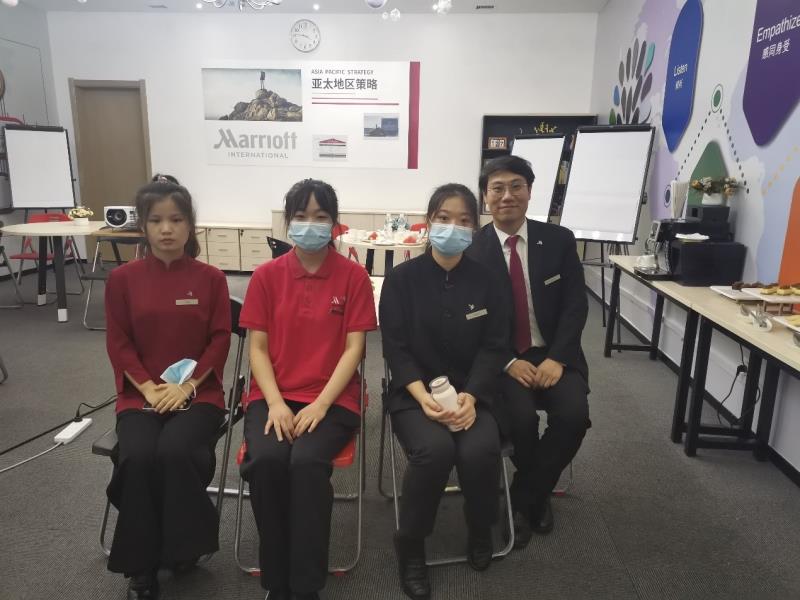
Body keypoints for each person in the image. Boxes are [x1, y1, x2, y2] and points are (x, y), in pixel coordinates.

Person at [239, 179, 377, 600]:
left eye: (320, 216)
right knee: (267, 462)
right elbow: (257, 349)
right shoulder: (266, 276)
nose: (310, 224)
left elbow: (355, 349)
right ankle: (277, 579)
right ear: (288, 221)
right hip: (272, 396)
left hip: (333, 398)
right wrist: (276, 403)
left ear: (334, 223)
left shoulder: (353, 276)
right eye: (301, 216)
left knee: (306, 464)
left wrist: (320, 404)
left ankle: (306, 584)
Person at [380, 184, 509, 600]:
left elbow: (495, 346)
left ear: (475, 227)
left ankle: (480, 528)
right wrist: (423, 398)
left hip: (473, 393)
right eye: (444, 218)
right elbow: (395, 349)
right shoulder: (401, 280)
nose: (453, 227)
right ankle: (411, 545)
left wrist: (472, 396)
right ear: (429, 221)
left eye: (464, 220)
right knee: (434, 451)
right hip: (414, 394)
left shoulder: (488, 280)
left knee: (479, 450)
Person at [105, 178, 231, 600]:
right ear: (143, 225)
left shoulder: (211, 279)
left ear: (189, 225)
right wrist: (148, 388)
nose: (166, 229)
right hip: (139, 395)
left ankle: (181, 548)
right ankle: (141, 569)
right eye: (156, 220)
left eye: (176, 220)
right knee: (138, 456)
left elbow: (219, 339)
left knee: (175, 452)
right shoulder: (121, 279)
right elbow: (119, 342)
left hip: (199, 395)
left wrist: (187, 386)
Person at [466, 155, 590, 548]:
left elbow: (575, 305)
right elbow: (470, 320)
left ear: (530, 191)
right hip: (502, 358)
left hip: (554, 353)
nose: (507, 196)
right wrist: (506, 361)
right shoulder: (471, 249)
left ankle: (525, 495)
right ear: (485, 196)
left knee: (573, 416)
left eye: (516, 186)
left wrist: (558, 358)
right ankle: (536, 495)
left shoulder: (558, 240)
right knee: (519, 421)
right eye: (497, 188)